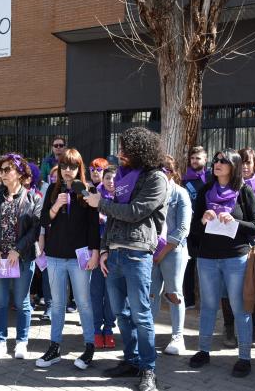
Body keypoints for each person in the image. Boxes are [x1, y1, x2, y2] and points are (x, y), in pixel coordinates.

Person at [84, 127, 167, 391]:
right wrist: (105, 248)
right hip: (116, 254)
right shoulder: (122, 178)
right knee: (121, 312)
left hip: (137, 252)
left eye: (125, 149)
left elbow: (135, 212)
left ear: (139, 151)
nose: (119, 154)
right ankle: (131, 361)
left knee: (141, 315)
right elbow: (112, 219)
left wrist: (101, 203)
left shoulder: (156, 178)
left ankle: (148, 369)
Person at [188, 148, 255, 378]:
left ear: (235, 166)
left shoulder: (244, 191)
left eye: (223, 161)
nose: (217, 163)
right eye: (216, 160)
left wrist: (236, 221)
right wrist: (202, 219)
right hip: (208, 257)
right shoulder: (205, 191)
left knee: (240, 307)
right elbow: (194, 229)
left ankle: (244, 357)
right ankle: (203, 350)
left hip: (235, 257)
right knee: (209, 306)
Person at [35, 148, 99, 370]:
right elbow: (43, 219)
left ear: (79, 168)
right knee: (57, 304)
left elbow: (93, 226)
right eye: (64, 166)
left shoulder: (88, 190)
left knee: (83, 303)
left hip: (79, 257)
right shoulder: (52, 189)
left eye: (72, 167)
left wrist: (95, 253)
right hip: (54, 256)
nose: (68, 171)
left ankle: (89, 346)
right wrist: (56, 205)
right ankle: (54, 347)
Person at [0, 153, 41, 360]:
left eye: (7, 170)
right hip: (0, 260)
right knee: (0, 301)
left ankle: (22, 342)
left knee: (22, 301)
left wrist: (18, 249)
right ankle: (0, 341)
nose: (2, 174)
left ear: (19, 173)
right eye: (1, 170)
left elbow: (35, 229)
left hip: (22, 259)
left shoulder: (33, 197)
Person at [221, 147, 255, 348]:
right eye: (241, 162)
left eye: (248, 162)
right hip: (231, 240)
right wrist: (252, 213)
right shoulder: (227, 184)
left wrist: (238, 215)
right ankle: (228, 329)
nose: (244, 166)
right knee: (227, 288)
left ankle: (254, 330)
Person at [149, 155, 192, 355]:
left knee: (174, 293)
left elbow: (183, 228)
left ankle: (178, 336)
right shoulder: (151, 192)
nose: (161, 175)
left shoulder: (181, 193)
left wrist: (162, 252)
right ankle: (147, 335)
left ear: (173, 172)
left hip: (173, 251)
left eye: (165, 170)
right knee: (151, 294)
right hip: (151, 251)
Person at [91, 165, 117, 349]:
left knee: (111, 294)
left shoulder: (122, 198)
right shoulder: (94, 197)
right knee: (96, 292)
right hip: (96, 250)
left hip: (115, 252)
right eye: (107, 177)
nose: (111, 182)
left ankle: (108, 329)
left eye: (114, 178)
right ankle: (95, 329)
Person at [182, 146, 211, 309]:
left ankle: (207, 299)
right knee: (188, 263)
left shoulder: (211, 177)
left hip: (208, 225)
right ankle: (189, 300)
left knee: (207, 263)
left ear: (205, 160)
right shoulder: (184, 178)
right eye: (192, 158)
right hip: (189, 225)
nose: (194, 161)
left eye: (198, 158)